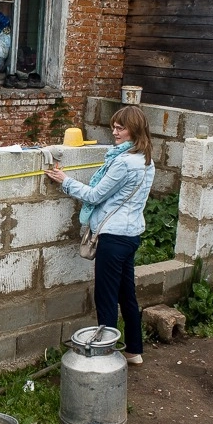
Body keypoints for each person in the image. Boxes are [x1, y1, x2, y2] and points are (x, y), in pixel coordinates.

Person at [45, 105, 155, 364]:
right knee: (127, 295)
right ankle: (133, 351)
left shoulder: (123, 163)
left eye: (121, 128)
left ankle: (106, 355)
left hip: (113, 237)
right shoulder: (146, 159)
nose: (115, 132)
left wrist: (65, 180)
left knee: (105, 297)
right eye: (114, 127)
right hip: (131, 235)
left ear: (134, 130)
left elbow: (94, 195)